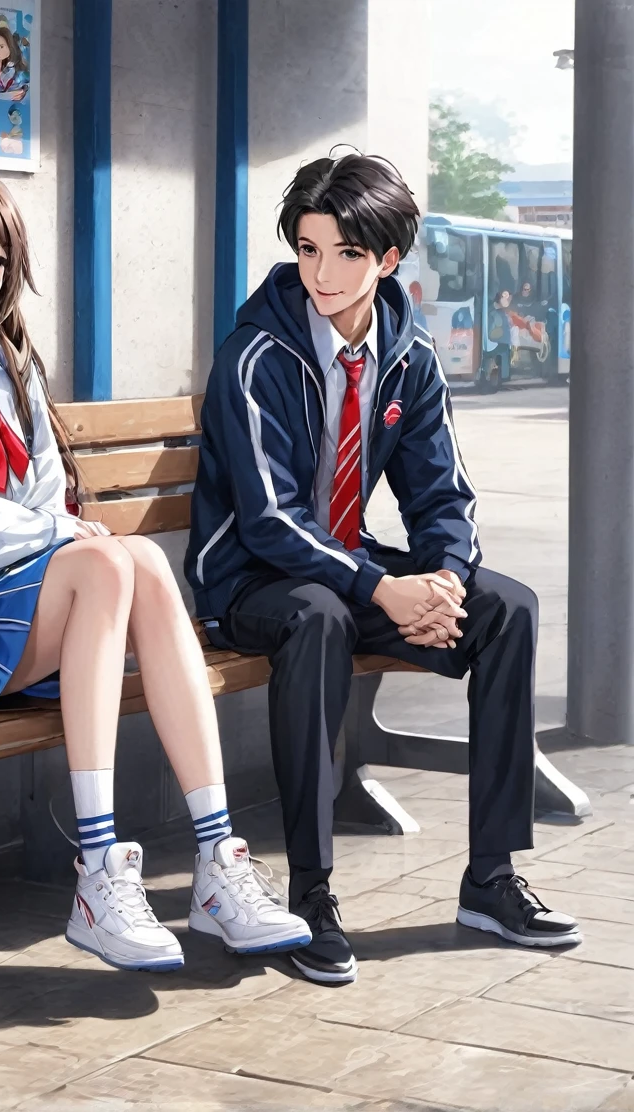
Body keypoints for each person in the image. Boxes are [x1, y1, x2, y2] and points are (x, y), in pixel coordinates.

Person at [0, 160, 311, 975]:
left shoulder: (7, 363)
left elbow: (41, 488)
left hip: (34, 619)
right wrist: (53, 537)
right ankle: (98, 868)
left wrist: (58, 532)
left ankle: (216, 855)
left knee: (135, 558)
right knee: (103, 563)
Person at [185, 153, 582, 988]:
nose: (322, 274)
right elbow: (267, 521)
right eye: (308, 249)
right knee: (318, 618)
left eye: (346, 254)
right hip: (251, 582)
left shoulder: (409, 355)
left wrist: (440, 582)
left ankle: (491, 879)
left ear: (389, 259)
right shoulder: (256, 355)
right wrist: (378, 588)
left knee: (505, 608)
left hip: (342, 568)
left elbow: (445, 494)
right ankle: (310, 895)